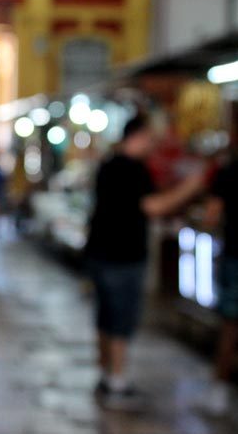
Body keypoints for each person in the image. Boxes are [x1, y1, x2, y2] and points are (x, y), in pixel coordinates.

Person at [85, 114, 203, 410]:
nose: (153, 144)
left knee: (106, 317)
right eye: (151, 138)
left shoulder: (109, 165)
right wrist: (192, 187)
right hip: (123, 256)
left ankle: (106, 375)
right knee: (121, 320)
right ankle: (117, 381)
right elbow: (153, 206)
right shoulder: (133, 169)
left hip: (100, 254)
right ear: (137, 136)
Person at [202, 151, 238, 414]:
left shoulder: (229, 170)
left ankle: (219, 389)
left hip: (234, 257)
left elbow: (210, 216)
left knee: (230, 326)